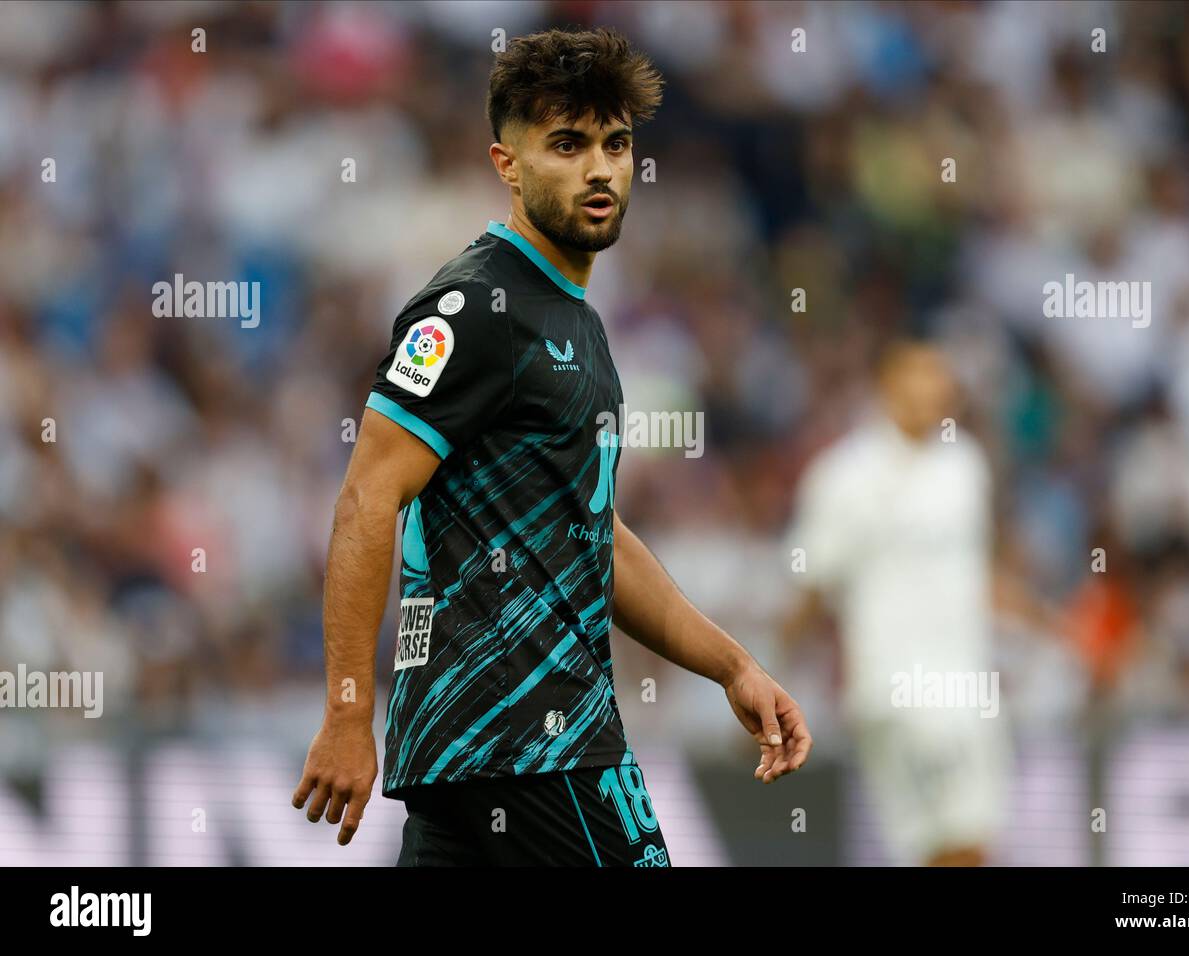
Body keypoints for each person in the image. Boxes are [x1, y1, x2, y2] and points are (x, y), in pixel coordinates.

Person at [291, 27, 812, 867]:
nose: (599, 169)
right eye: (567, 145)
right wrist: (350, 713)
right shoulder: (473, 312)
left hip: (466, 751)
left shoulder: (575, 319)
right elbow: (365, 498)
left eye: (615, 144)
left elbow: (590, 533)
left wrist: (731, 666)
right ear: (507, 163)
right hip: (539, 735)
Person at [785, 341, 1008, 866]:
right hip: (891, 686)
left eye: (940, 379)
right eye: (919, 377)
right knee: (956, 837)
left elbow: (976, 574)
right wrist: (759, 669)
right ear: (886, 385)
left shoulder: (967, 466)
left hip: (966, 681)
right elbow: (813, 583)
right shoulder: (843, 474)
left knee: (952, 842)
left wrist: (1047, 624)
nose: (933, 390)